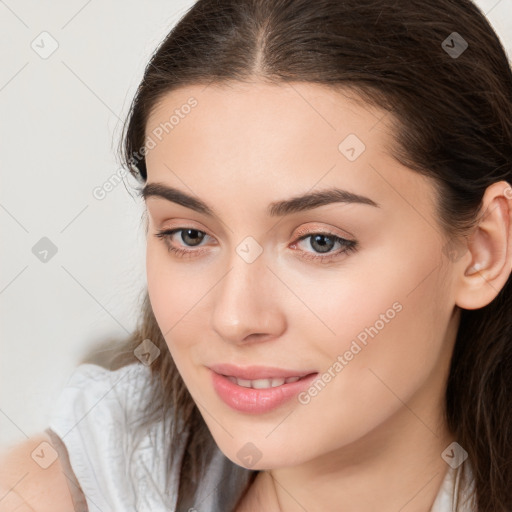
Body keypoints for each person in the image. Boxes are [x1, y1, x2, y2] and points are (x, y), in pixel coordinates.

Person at [1, 0, 511, 510]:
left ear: (481, 250)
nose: (235, 318)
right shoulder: (54, 492)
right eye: (190, 235)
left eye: (320, 241)